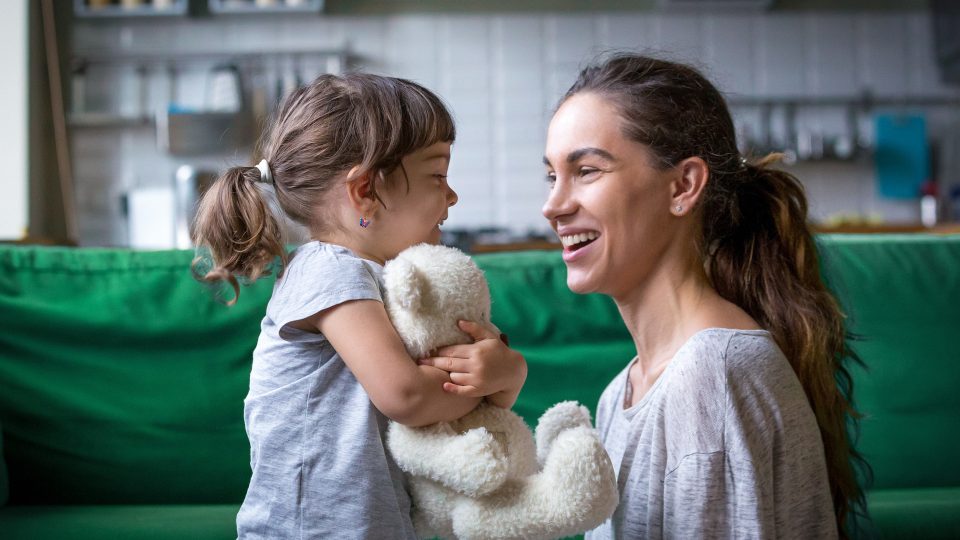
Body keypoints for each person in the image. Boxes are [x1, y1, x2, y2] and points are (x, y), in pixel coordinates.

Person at [540, 53, 866, 539]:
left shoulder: (712, 375)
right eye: (551, 176)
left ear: (683, 186)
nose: (553, 206)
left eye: (586, 170)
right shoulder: (622, 393)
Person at [191, 73, 527, 539]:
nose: (452, 196)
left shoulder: (386, 281)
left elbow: (448, 403)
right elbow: (407, 396)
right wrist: (499, 377)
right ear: (365, 190)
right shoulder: (328, 269)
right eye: (437, 175)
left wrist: (497, 375)